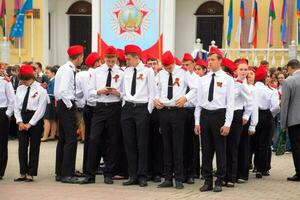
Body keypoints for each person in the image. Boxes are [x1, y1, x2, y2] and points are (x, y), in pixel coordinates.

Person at [80, 47, 124, 185]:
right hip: (99, 107)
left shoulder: (121, 73)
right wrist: (100, 91)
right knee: (93, 139)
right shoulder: (96, 72)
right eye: (108, 60)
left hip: (114, 107)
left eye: (113, 60)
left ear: (116, 58)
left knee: (112, 141)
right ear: (104, 58)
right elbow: (89, 91)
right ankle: (90, 174)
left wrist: (118, 93)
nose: (111, 63)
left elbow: (125, 93)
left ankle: (109, 173)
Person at [194, 47, 235, 192]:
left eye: (212, 59)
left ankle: (219, 180)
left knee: (220, 149)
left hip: (219, 115)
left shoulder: (228, 80)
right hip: (205, 115)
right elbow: (198, 103)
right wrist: (197, 122)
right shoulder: (203, 80)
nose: (209, 62)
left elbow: (230, 103)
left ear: (220, 61)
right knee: (206, 150)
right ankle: (207, 180)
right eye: (208, 59)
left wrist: (227, 123)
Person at [155, 51, 196, 189]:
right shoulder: (160, 74)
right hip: (164, 111)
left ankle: (179, 177)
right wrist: (156, 100)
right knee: (166, 146)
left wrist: (186, 98)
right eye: (165, 67)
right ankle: (167, 178)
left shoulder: (183, 72)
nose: (168, 69)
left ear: (173, 62)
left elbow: (195, 89)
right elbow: (156, 90)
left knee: (177, 145)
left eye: (169, 67)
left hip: (178, 111)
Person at [121, 44, 155, 187]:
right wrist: (124, 103)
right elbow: (123, 90)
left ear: (136, 57)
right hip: (128, 107)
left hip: (142, 108)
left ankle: (142, 175)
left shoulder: (148, 71)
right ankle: (132, 174)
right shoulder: (126, 71)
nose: (127, 62)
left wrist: (148, 110)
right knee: (129, 143)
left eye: (129, 59)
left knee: (142, 143)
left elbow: (153, 92)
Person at [54, 45, 84, 184]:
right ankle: (67, 173)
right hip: (66, 105)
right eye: (82, 56)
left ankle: (61, 172)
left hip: (62, 105)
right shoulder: (68, 70)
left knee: (64, 140)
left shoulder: (65, 68)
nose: (82, 59)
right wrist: (71, 106)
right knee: (71, 140)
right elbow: (62, 91)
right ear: (78, 57)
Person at [13, 65, 48, 182]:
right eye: (22, 80)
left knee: (34, 147)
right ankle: (22, 172)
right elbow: (16, 106)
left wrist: (30, 124)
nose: (24, 82)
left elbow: (41, 109)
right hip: (22, 118)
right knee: (22, 147)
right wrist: (19, 121)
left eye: (26, 80)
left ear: (31, 78)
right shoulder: (20, 89)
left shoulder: (41, 89)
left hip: (35, 120)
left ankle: (31, 173)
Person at [253, 65, 280, 179]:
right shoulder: (272, 90)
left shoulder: (252, 87)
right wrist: (271, 115)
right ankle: (263, 168)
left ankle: (256, 166)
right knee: (265, 143)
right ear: (264, 78)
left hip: (255, 115)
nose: (269, 78)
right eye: (267, 76)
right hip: (267, 115)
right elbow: (276, 107)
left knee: (256, 143)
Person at [281, 59, 300, 182]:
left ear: (290, 68)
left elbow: (285, 104)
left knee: (297, 148)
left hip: (295, 120)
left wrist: (283, 123)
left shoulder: (289, 81)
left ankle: (299, 173)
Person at [181, 53, 199, 184]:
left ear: (193, 64)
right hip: (181, 111)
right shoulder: (181, 77)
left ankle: (191, 173)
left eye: (188, 64)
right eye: (184, 65)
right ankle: (181, 171)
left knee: (192, 144)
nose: (186, 67)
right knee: (181, 143)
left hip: (193, 111)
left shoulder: (198, 79)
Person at [146, 54, 163, 183]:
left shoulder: (161, 77)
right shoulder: (144, 76)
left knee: (157, 142)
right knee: (146, 142)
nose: (152, 66)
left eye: (154, 63)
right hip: (146, 111)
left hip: (158, 111)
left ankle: (157, 172)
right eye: (150, 64)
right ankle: (147, 171)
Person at [0, 64, 15, 180]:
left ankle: (0, 170)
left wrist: (7, 114)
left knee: (2, 143)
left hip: (2, 112)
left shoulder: (5, 82)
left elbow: (12, 99)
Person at [41, 66, 58, 142]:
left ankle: (45, 136)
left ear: (53, 73)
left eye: (48, 73)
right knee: (53, 119)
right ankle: (52, 135)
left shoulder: (53, 82)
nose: (46, 74)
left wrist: (45, 89)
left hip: (50, 101)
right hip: (52, 101)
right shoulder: (52, 81)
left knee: (46, 119)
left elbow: (51, 93)